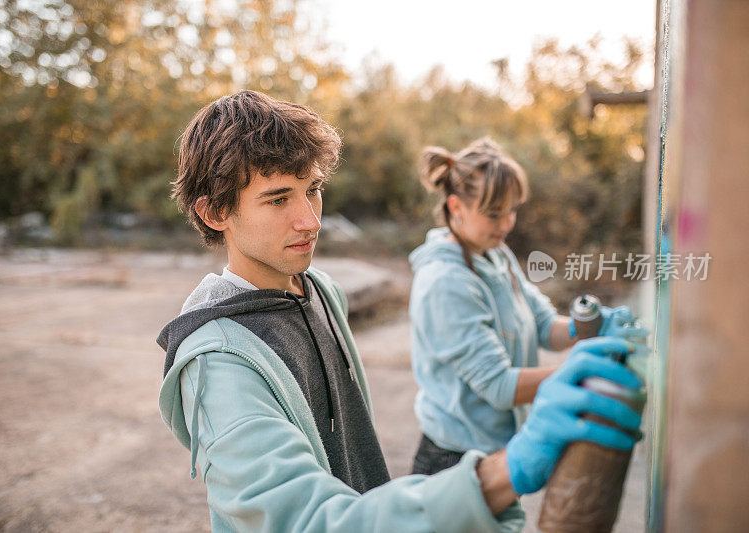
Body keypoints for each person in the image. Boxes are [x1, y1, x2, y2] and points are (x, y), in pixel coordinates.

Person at [156, 91, 645, 531]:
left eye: (313, 189)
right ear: (215, 213)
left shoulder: (320, 291)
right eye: (278, 198)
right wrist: (505, 469)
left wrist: (587, 328)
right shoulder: (217, 365)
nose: (310, 219)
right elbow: (306, 520)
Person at [408, 138, 646, 476]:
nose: (506, 224)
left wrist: (591, 325)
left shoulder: (494, 254)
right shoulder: (445, 282)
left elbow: (545, 327)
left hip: (498, 447)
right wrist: (578, 370)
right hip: (454, 461)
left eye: (511, 210)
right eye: (494, 214)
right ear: (456, 207)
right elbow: (500, 387)